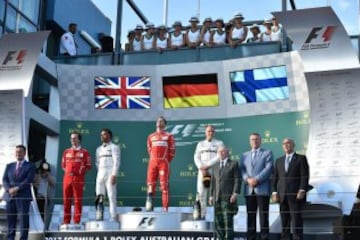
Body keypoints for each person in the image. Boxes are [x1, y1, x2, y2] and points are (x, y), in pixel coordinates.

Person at [272, 138, 309, 240]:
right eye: (284, 143)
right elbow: (275, 178)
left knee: (297, 221)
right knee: (284, 221)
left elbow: (304, 176)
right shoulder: (279, 160)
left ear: (293, 145)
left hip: (296, 195)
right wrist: (274, 192)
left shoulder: (301, 159)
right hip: (282, 196)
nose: (286, 145)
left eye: (288, 143)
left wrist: (302, 190)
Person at [240, 133, 274, 240]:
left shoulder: (267, 153)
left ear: (260, 141)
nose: (254, 141)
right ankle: (251, 238)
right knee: (250, 217)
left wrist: (257, 179)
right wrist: (248, 179)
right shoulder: (244, 155)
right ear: (250, 141)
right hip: (249, 190)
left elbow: (268, 169)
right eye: (252, 139)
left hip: (262, 189)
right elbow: (242, 170)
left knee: (264, 217)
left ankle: (264, 238)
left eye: (256, 139)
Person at [2, 145, 36, 240]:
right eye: (16, 151)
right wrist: (9, 189)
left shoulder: (30, 166)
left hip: (23, 196)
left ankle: (23, 238)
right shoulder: (9, 166)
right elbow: (4, 179)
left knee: (23, 221)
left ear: (24, 153)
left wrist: (16, 189)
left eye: (20, 151)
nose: (18, 153)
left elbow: (28, 180)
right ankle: (10, 238)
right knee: (11, 220)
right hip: (10, 196)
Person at [209, 146, 240, 240]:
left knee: (228, 224)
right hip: (217, 198)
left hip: (228, 198)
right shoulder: (215, 166)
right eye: (219, 152)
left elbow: (237, 180)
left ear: (227, 152)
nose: (221, 153)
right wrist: (211, 196)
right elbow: (213, 182)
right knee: (218, 223)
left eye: (223, 151)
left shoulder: (234, 164)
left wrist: (235, 193)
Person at [145, 116, 176, 212]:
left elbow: (172, 151)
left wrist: (165, 161)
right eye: (158, 120)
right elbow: (149, 150)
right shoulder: (151, 136)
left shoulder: (169, 136)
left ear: (164, 124)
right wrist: (154, 159)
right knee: (150, 184)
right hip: (152, 162)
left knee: (164, 186)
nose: (159, 122)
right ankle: (149, 207)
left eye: (161, 121)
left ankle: (165, 209)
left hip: (163, 162)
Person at [193, 125, 224, 219]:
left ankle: (218, 217)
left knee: (216, 194)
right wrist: (201, 167)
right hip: (202, 172)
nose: (210, 133)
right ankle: (201, 215)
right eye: (208, 131)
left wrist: (208, 165)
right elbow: (196, 157)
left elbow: (219, 156)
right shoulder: (200, 144)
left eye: (212, 131)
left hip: (214, 171)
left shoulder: (219, 143)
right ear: (205, 132)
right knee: (201, 193)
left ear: (214, 133)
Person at [62, 131, 92, 224]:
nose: (73, 140)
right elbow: (63, 165)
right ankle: (66, 222)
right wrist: (69, 173)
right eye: (71, 138)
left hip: (78, 179)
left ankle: (76, 222)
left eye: (75, 138)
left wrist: (79, 173)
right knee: (66, 200)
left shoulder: (85, 152)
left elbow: (88, 166)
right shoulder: (66, 151)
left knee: (77, 201)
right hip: (67, 178)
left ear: (79, 139)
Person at [95, 128, 121, 221]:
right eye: (101, 135)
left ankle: (113, 217)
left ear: (109, 136)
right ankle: (99, 215)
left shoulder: (114, 147)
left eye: (104, 134)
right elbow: (97, 162)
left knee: (111, 196)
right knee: (99, 196)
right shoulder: (98, 149)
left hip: (110, 173)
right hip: (100, 174)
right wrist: (100, 173)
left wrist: (114, 174)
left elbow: (117, 161)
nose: (102, 136)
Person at [34, 161, 56, 226]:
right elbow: (36, 184)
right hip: (38, 197)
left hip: (45, 198)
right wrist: (39, 174)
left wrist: (47, 175)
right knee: (37, 215)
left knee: (44, 215)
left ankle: (43, 227)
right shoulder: (38, 176)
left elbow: (53, 183)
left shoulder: (49, 177)